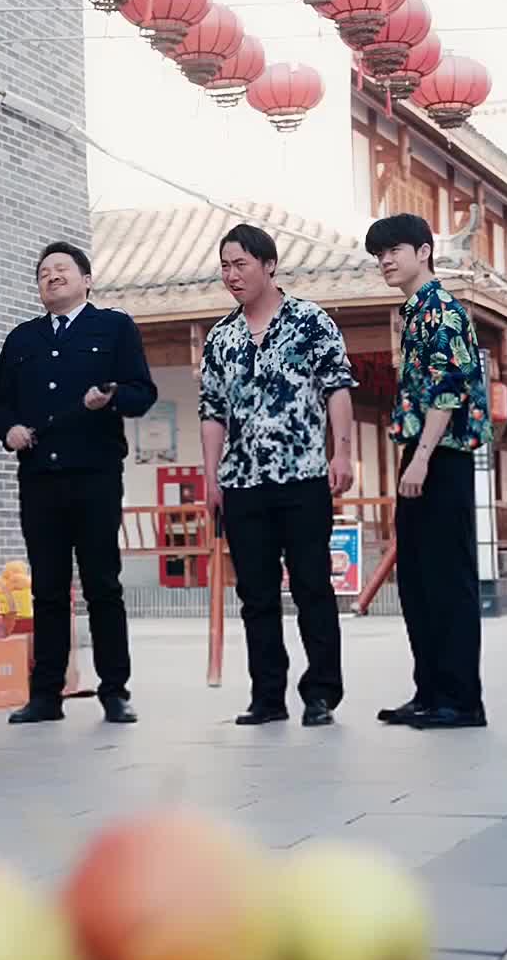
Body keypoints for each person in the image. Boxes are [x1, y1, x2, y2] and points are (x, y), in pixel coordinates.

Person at [0, 241, 156, 726]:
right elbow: (1, 406)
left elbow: (142, 393)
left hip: (96, 474)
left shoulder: (114, 328)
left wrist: (112, 397)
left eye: (62, 268)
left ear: (87, 280)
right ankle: (46, 695)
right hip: (39, 478)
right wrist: (9, 431)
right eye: (44, 272)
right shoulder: (21, 339)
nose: (52, 276)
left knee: (102, 584)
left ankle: (115, 691)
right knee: (47, 588)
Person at [200, 223, 356, 728]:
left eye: (240, 264)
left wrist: (342, 455)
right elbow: (212, 412)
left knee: (312, 586)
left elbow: (337, 389)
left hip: (303, 477)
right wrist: (211, 479)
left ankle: (321, 693)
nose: (232, 275)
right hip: (243, 484)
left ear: (268, 265)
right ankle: (267, 696)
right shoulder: (221, 337)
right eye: (225, 266)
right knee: (256, 595)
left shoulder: (310, 321)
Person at [365, 212, 491, 730]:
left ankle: (460, 700)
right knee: (418, 580)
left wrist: (420, 458)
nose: (385, 260)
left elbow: (448, 390)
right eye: (379, 254)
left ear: (423, 251)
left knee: (447, 579)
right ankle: (430, 692)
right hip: (420, 453)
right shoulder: (415, 313)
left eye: (394, 250)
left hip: (441, 456)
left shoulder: (442, 310)